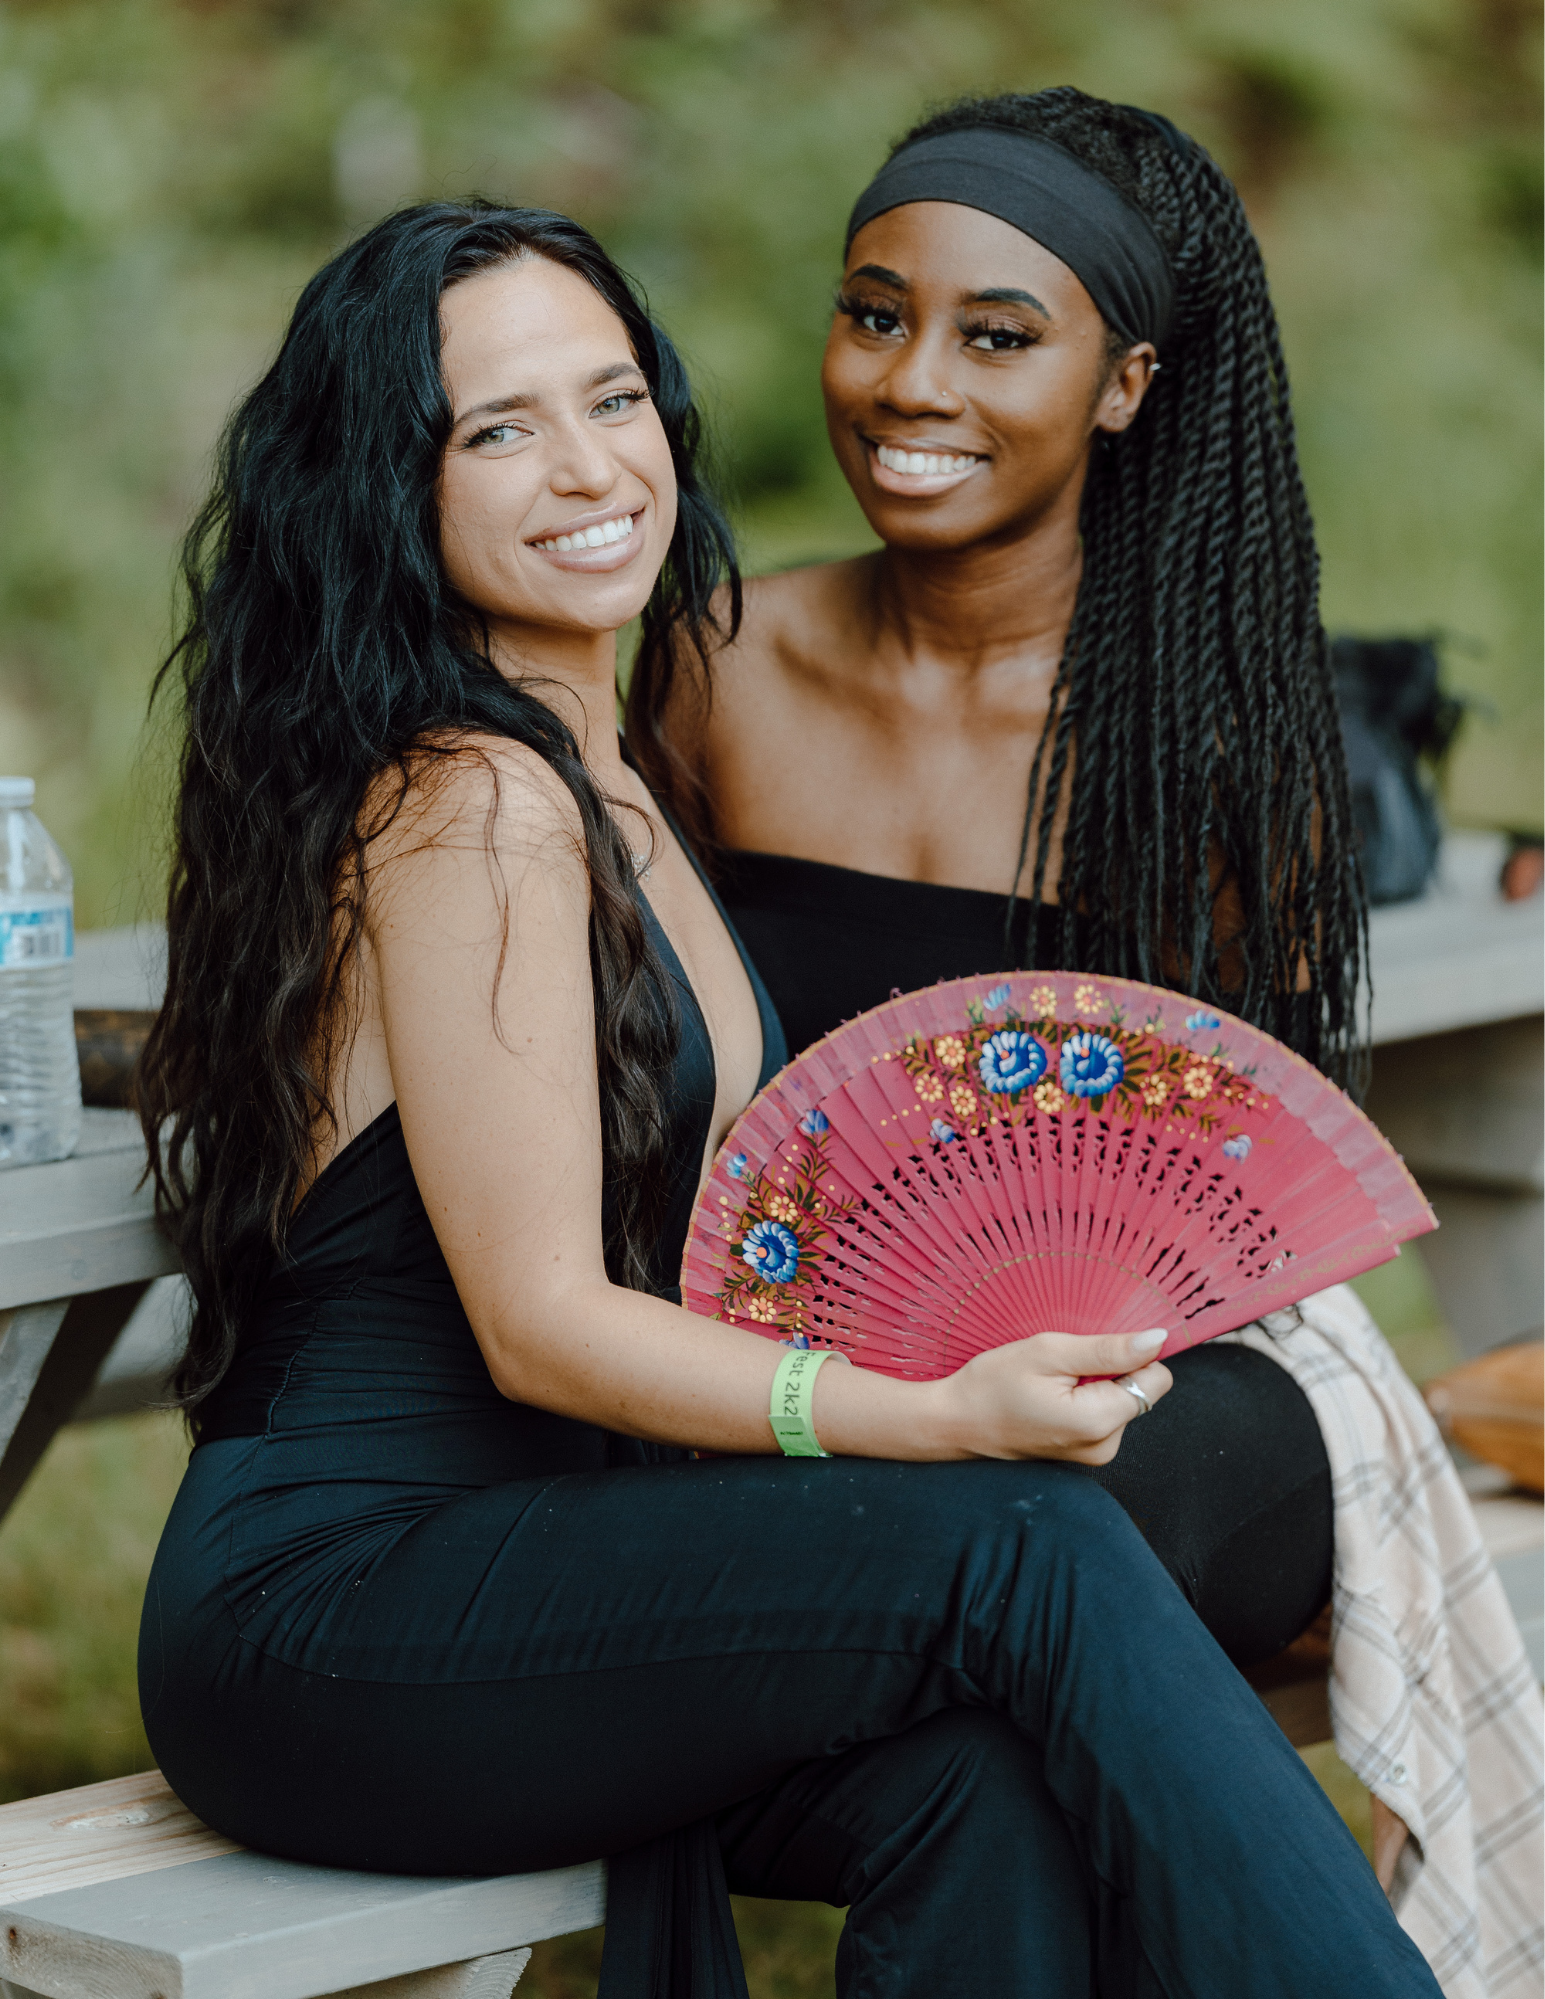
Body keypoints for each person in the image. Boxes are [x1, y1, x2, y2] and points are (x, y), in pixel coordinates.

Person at [137, 199, 1440, 1999]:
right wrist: (937, 1411)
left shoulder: (608, 762)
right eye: (497, 428)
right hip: (346, 1610)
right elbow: (537, 1325)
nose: (587, 466)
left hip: (560, 1561)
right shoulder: (471, 800)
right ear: (392, 486)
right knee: (1023, 1542)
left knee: (979, 1781)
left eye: (615, 399)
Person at [635, 89, 1360, 1676]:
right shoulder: (720, 666)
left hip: (1137, 1405)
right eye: (876, 315)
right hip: (789, 1385)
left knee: (1050, 1536)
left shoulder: (1210, 752)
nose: (912, 384)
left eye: (998, 337)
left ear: (1126, 386)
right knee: (984, 1586)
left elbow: (1254, 1214)